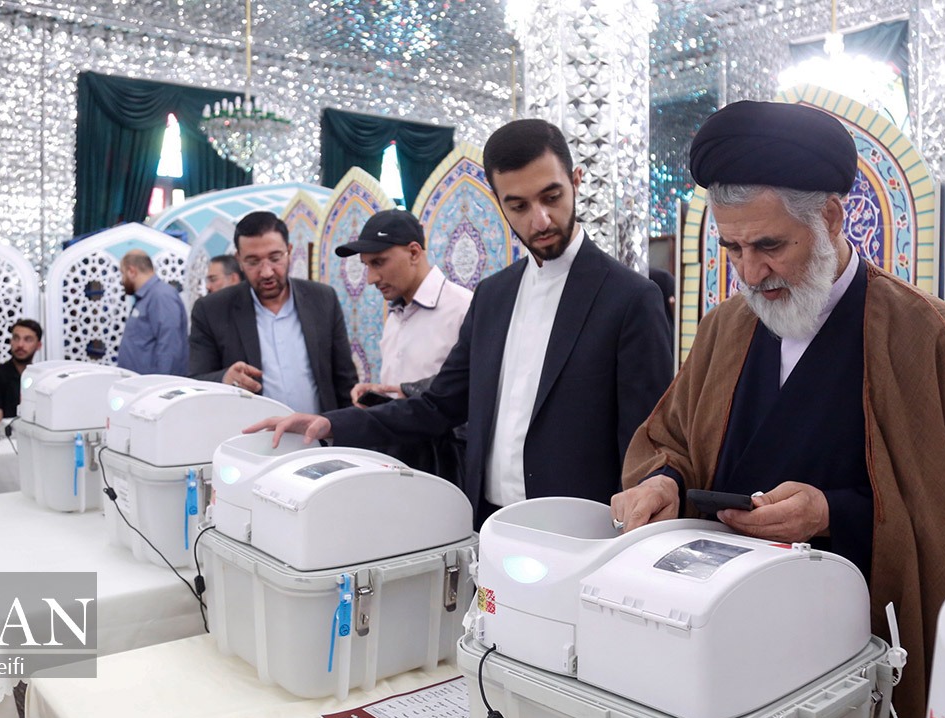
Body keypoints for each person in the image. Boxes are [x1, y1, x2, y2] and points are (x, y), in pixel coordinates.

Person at [610, 100, 945, 718]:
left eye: (770, 246)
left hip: (853, 647)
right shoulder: (725, 327)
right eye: (732, 248)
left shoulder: (925, 334)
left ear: (830, 217)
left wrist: (831, 512)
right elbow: (673, 441)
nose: (751, 273)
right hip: (721, 627)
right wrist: (664, 481)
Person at [247, 119, 672, 523]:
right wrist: (332, 423)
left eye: (551, 197)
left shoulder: (630, 298)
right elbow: (438, 405)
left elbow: (647, 441)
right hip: (485, 521)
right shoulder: (494, 295)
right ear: (499, 202)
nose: (539, 219)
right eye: (519, 205)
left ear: (576, 181)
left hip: (581, 528)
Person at [335, 209, 474, 482]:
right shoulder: (396, 315)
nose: (371, 278)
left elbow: (474, 390)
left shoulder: (464, 308)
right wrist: (379, 393)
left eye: (379, 262)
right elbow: (404, 390)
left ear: (413, 252)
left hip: (447, 466)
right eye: (367, 266)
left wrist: (412, 392)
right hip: (398, 461)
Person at [189, 211, 357, 413]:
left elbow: (345, 380)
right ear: (239, 259)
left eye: (275, 258)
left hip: (320, 430)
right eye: (253, 262)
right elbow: (195, 382)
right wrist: (225, 378)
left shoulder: (322, 299)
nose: (266, 272)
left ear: (289, 251)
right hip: (248, 431)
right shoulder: (212, 310)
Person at [116, 248, 188, 375]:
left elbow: (169, 346)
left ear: (132, 271)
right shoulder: (146, 297)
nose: (122, 280)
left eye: (123, 273)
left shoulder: (161, 296)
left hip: (151, 384)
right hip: (137, 382)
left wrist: (161, 383)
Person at [0, 318, 43, 431]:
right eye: (16, 338)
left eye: (27, 339)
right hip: (2, 440)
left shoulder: (40, 378)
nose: (20, 344)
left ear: (38, 345)